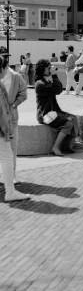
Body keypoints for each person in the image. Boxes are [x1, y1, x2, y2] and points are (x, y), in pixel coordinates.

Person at [35, 59, 80, 157]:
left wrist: (54, 76)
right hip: (45, 114)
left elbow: (59, 90)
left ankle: (67, 145)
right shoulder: (40, 84)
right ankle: (55, 147)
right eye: (48, 68)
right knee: (68, 123)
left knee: (73, 118)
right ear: (42, 70)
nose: (50, 69)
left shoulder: (46, 81)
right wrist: (54, 75)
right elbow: (56, 89)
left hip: (54, 111)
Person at [1, 66, 31, 201]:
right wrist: (5, 130)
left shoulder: (15, 77)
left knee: (10, 151)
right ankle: (10, 192)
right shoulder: (1, 86)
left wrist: (13, 105)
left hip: (9, 120)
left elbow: (23, 93)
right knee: (7, 156)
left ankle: (10, 184)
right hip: (3, 125)